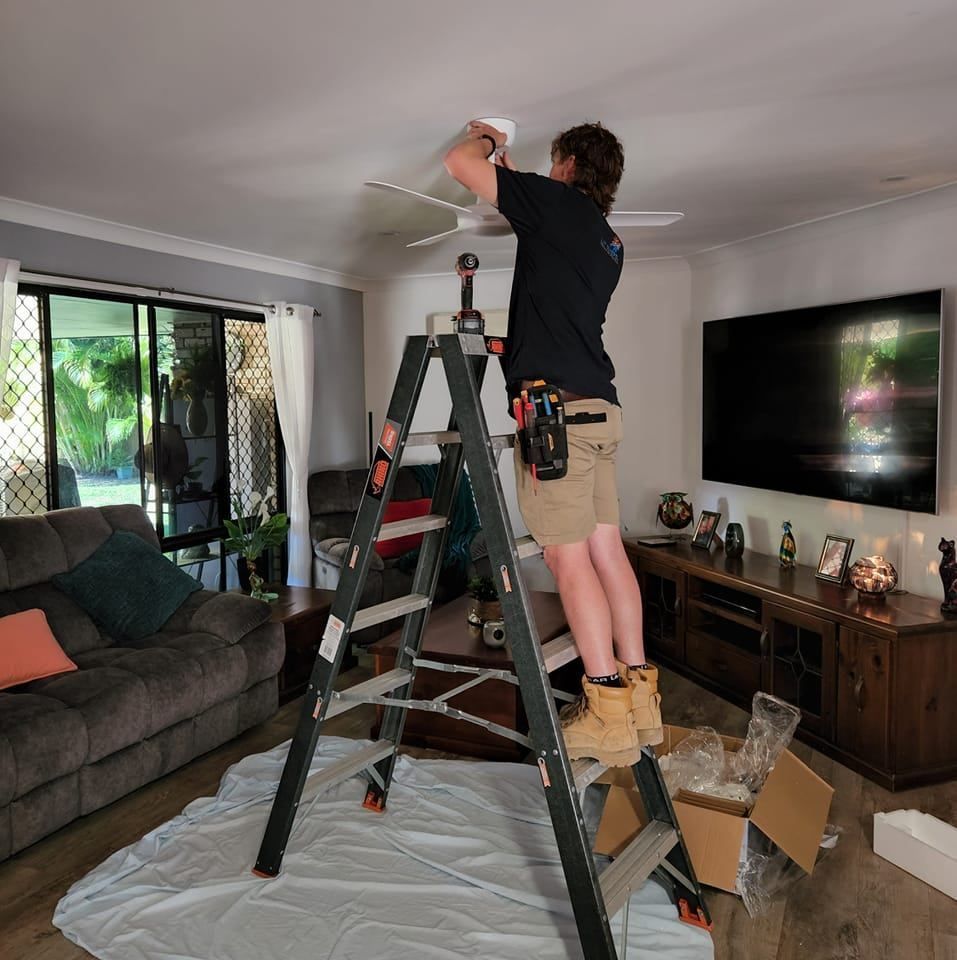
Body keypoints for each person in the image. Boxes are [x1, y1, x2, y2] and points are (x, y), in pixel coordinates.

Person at [444, 120, 661, 766]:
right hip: (600, 410)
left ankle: (603, 707)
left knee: (567, 562)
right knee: (606, 553)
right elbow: (551, 265)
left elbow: (458, 162)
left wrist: (484, 140)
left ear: (564, 164)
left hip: (556, 419)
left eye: (551, 162)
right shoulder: (608, 242)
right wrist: (515, 182)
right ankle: (639, 696)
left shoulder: (554, 203)